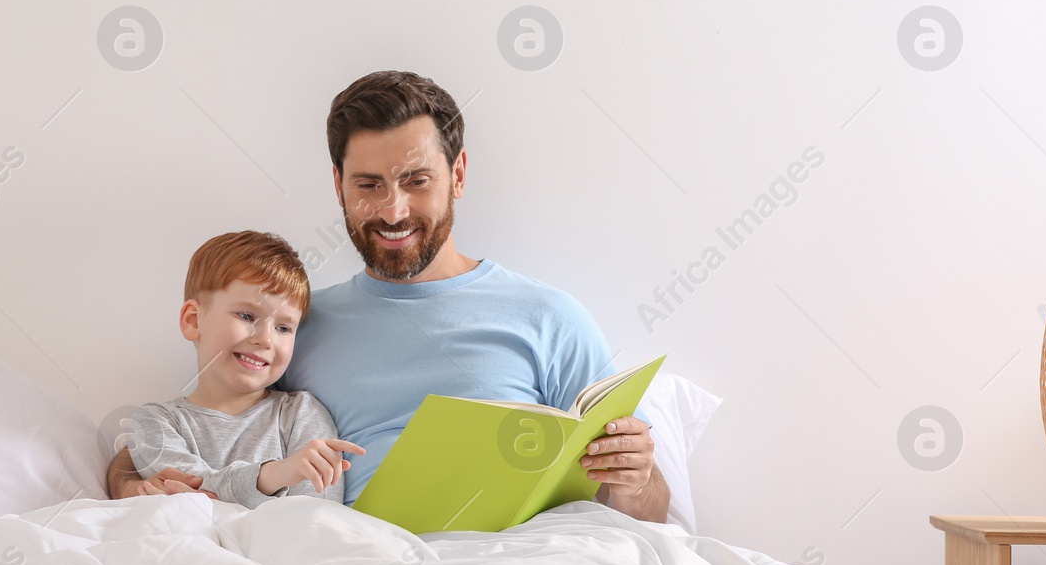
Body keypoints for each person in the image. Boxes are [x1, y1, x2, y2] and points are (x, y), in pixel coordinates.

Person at [108, 72, 666, 525]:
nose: (393, 211)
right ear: (339, 185)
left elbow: (651, 509)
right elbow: (192, 431)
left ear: (459, 174)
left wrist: (635, 479)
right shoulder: (294, 326)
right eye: (368, 185)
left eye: (417, 181)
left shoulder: (549, 317)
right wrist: (131, 485)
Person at [117, 230, 364, 504]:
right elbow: (198, 495)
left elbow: (316, 513)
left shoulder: (302, 415)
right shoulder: (154, 423)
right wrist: (275, 474)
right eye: (247, 315)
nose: (265, 339)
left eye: (283, 327)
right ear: (193, 320)